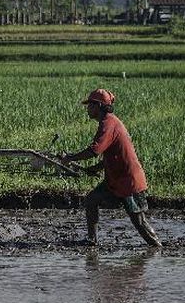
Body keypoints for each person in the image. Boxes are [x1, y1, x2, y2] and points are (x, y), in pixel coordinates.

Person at [60, 88, 161, 247]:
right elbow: (113, 154)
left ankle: (157, 248)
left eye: (90, 105)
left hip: (128, 181)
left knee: (138, 220)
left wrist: (70, 158)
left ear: (99, 106)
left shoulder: (108, 124)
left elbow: (94, 150)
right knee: (91, 200)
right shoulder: (108, 122)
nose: (87, 109)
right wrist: (96, 168)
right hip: (116, 179)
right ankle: (92, 241)